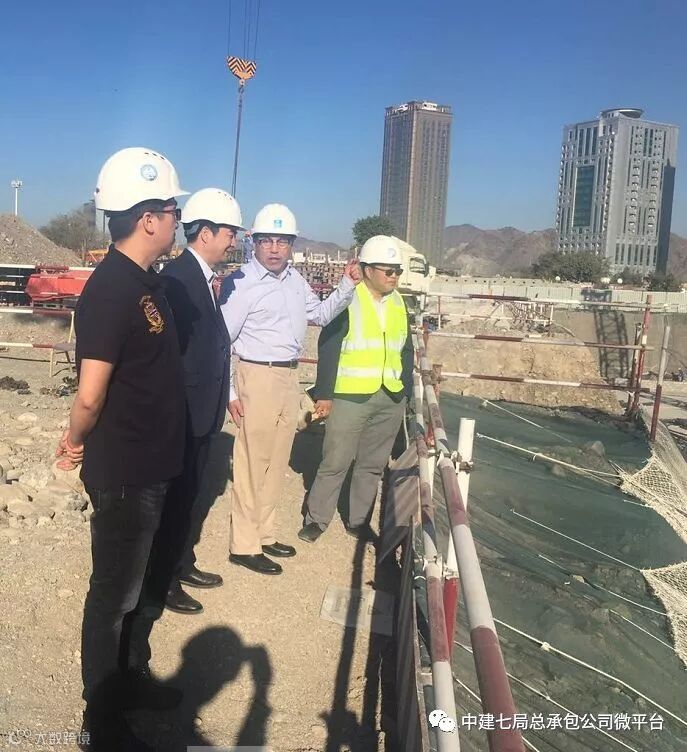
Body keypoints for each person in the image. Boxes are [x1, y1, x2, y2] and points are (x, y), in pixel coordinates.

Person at [55, 147, 189, 752]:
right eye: (172, 209)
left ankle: (130, 680)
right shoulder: (110, 289)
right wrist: (72, 442)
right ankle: (102, 719)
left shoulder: (145, 281)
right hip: (127, 473)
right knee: (113, 595)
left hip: (155, 465)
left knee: (139, 591)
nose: (177, 219)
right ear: (148, 218)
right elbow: (90, 394)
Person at [219, 203, 362, 574]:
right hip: (256, 375)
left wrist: (347, 285)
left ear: (291, 245)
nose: (274, 248)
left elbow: (321, 314)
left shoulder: (295, 281)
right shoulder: (241, 283)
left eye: (282, 241)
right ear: (254, 243)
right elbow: (221, 341)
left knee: (277, 461)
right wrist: (230, 393)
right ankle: (243, 545)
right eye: (266, 240)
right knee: (252, 463)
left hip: (287, 377)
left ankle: (264, 533)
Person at [298, 235, 413, 543]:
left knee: (372, 465)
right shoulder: (349, 298)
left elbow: (406, 349)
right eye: (388, 270)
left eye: (398, 271)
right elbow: (329, 346)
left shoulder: (399, 302)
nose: (394, 276)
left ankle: (358, 520)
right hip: (350, 396)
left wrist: (406, 391)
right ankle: (317, 519)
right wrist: (325, 394)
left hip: (389, 395)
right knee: (335, 460)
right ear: (367, 270)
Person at [159, 188, 242, 615]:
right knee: (175, 500)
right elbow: (170, 355)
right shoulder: (177, 280)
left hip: (203, 410)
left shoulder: (203, 278)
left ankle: (181, 562)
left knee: (191, 495)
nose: (233, 242)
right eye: (229, 232)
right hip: (186, 412)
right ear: (205, 232)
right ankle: (164, 580)